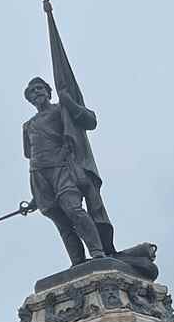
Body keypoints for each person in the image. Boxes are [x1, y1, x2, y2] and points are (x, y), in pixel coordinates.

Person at [20, 75, 115, 266]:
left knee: (74, 210)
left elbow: (90, 121)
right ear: (29, 99)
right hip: (39, 175)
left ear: (48, 92)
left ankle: (98, 252)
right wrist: (34, 199)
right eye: (32, 91)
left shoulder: (61, 110)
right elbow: (31, 154)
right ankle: (78, 262)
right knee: (62, 223)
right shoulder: (27, 126)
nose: (37, 92)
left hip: (63, 169)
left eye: (40, 88)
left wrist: (69, 102)